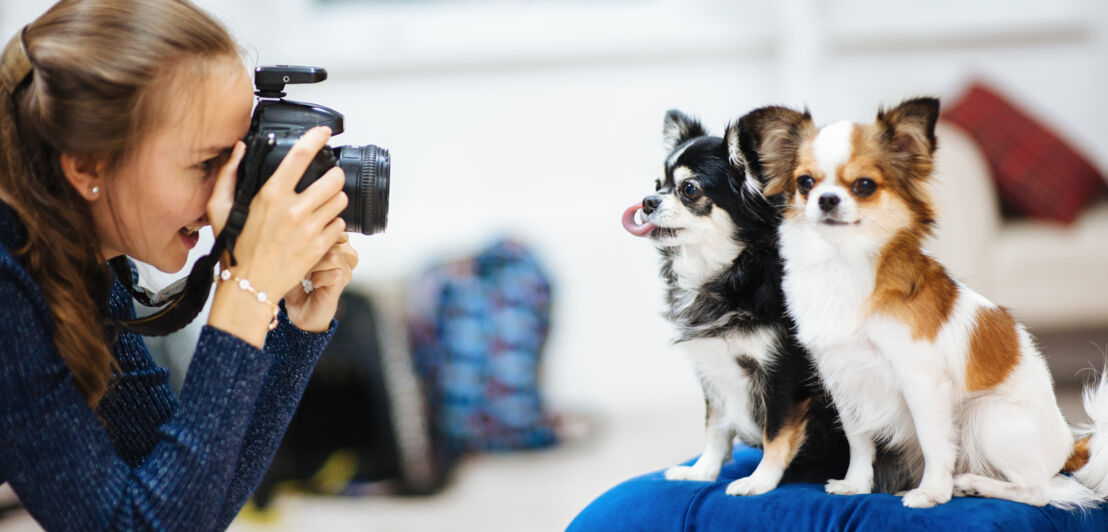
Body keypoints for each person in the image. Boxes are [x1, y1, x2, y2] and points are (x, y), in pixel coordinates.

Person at [0, 0, 359, 530]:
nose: (229, 198)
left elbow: (188, 503)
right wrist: (244, 292)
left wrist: (295, 327)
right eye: (206, 163)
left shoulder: (80, 265)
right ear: (87, 164)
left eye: (239, 157)